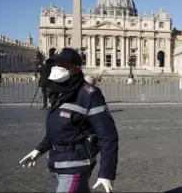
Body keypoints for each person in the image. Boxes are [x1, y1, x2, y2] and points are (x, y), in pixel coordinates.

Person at [19, 48, 119, 193]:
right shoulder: (59, 92)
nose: (57, 69)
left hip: (76, 166)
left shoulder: (90, 95)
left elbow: (108, 136)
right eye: (56, 65)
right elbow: (59, 130)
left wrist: (106, 173)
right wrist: (39, 149)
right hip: (57, 163)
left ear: (76, 69)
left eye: (62, 66)